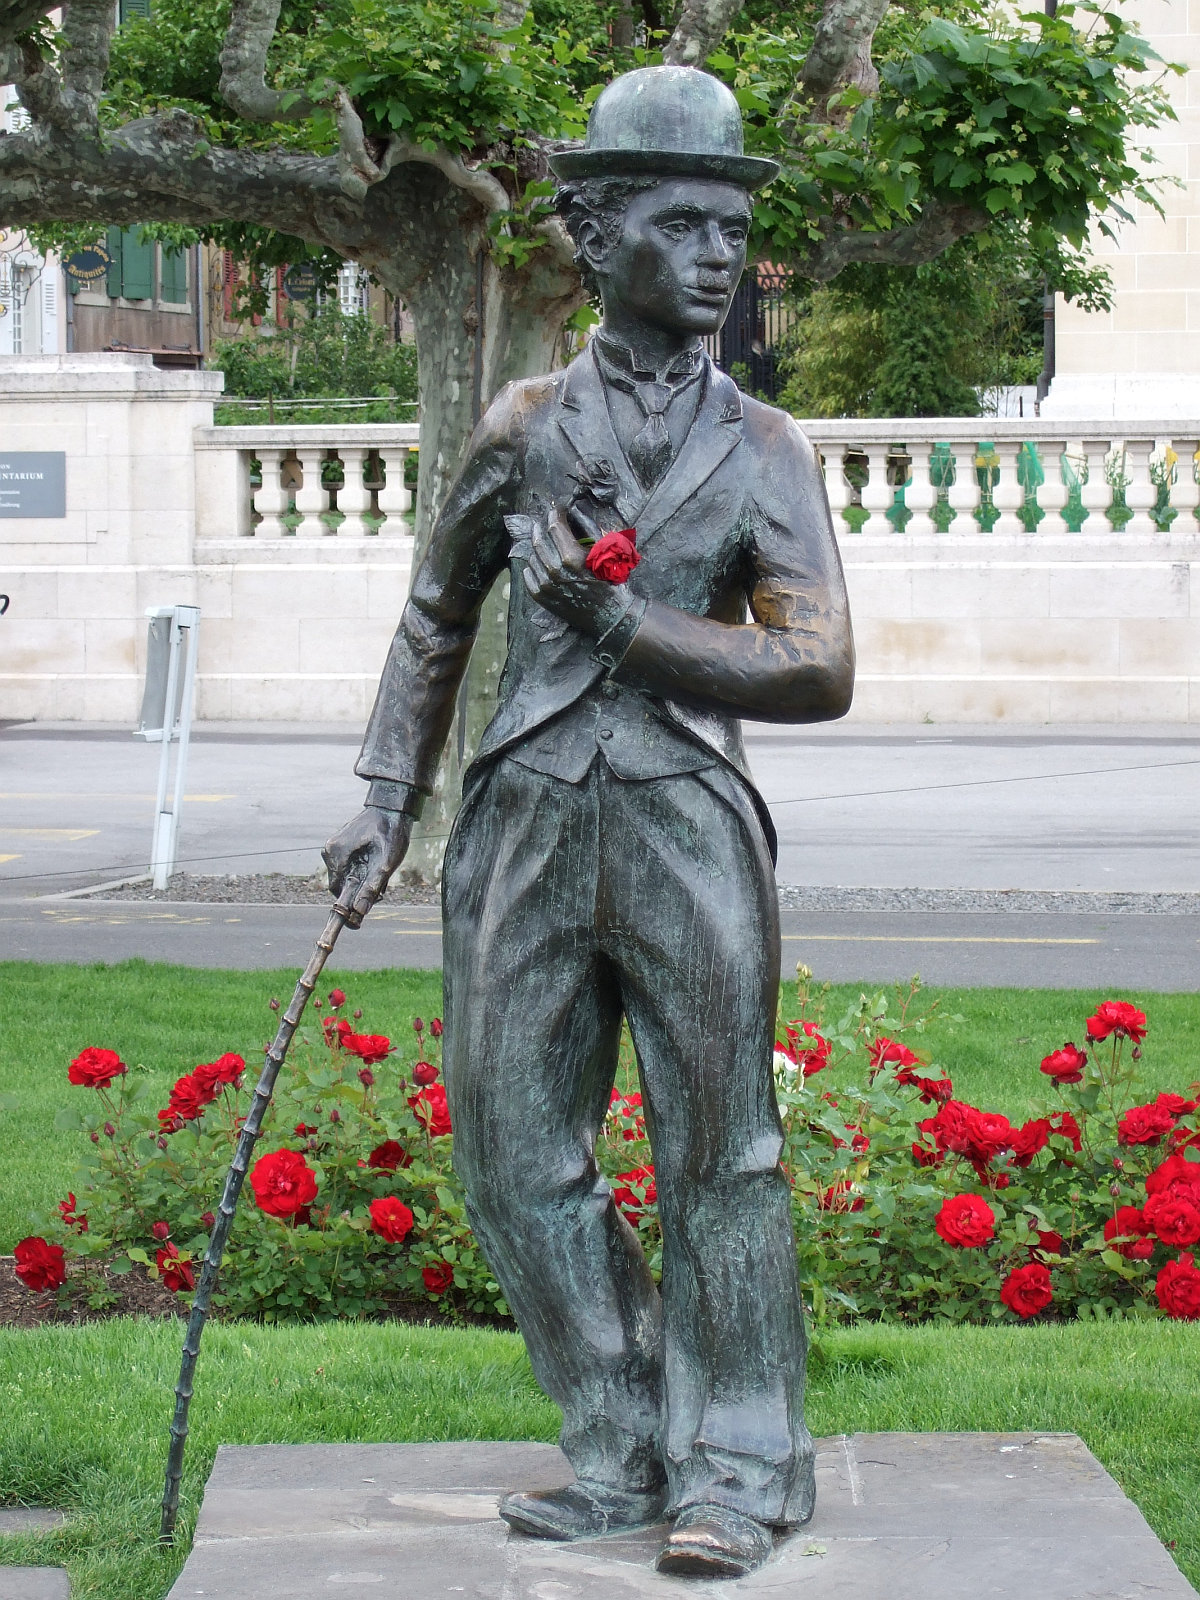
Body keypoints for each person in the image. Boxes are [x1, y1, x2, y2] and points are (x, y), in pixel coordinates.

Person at [323, 63, 855, 1579]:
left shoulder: (767, 448)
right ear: (596, 232)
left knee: (725, 1156)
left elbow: (816, 662)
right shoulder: (521, 422)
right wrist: (381, 800)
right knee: (509, 1150)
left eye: (731, 231)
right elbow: (435, 618)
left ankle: (739, 1466)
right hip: (527, 822)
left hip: (688, 817)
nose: (719, 257)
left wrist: (630, 631)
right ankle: (618, 1438)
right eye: (682, 225)